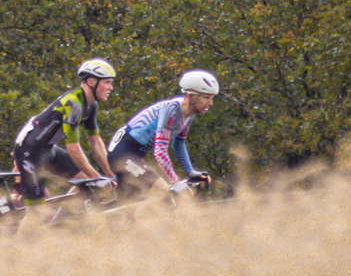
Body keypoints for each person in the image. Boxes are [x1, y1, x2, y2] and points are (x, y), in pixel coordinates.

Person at [12, 58, 118, 201]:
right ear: (91, 82)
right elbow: (73, 149)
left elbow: (96, 143)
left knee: (87, 183)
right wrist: (97, 178)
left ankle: (64, 216)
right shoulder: (73, 104)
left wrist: (111, 175)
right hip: (29, 152)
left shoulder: (91, 105)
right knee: (36, 214)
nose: (111, 88)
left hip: (48, 150)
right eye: (107, 82)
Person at [106, 70, 220, 195]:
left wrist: (190, 172)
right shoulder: (172, 109)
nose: (211, 103)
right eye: (206, 98)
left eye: (211, 98)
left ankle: (97, 215)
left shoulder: (189, 115)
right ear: (191, 96)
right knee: (161, 191)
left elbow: (178, 144)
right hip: (122, 155)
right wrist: (175, 182)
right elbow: (160, 150)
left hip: (133, 156)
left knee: (130, 203)